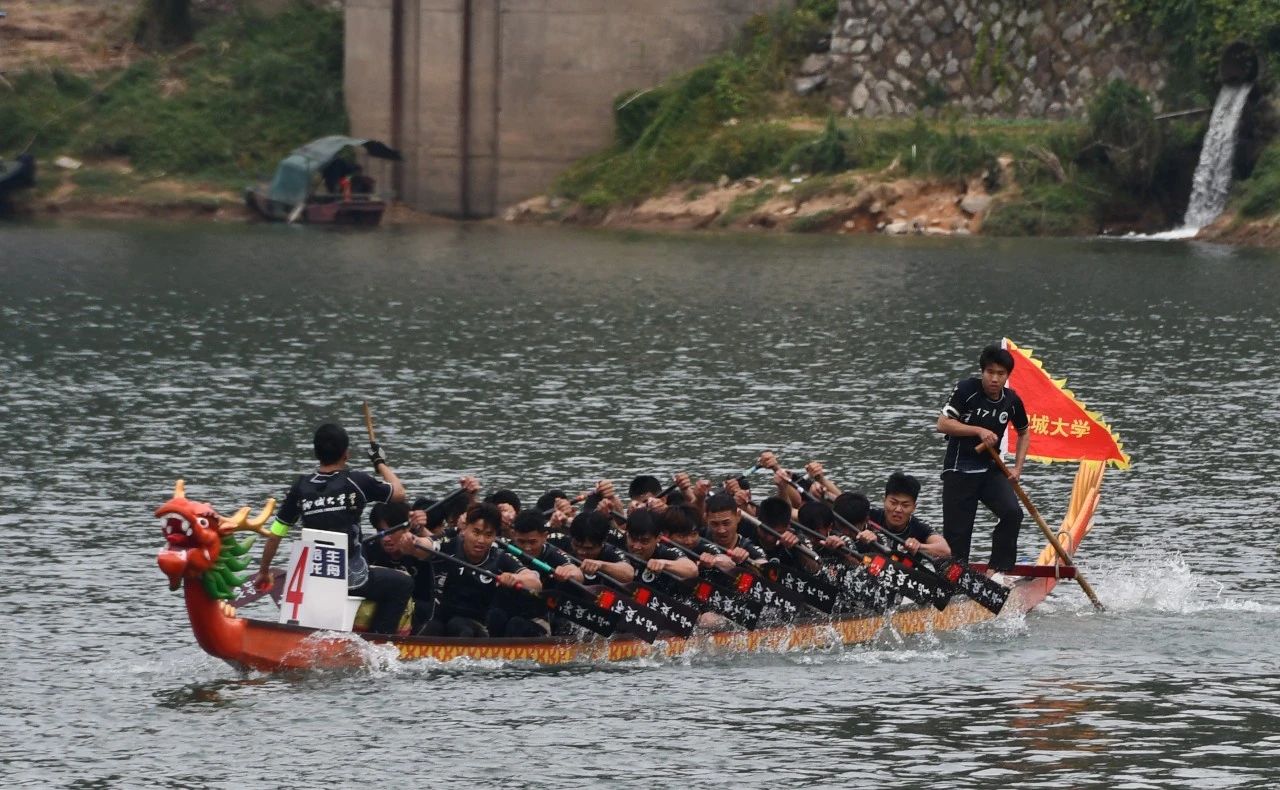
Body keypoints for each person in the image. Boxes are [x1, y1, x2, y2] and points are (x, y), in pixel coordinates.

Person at [252, 423, 412, 636]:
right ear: (346, 454)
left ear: (316, 453)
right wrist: (379, 462)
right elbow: (400, 493)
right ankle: (379, 642)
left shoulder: (300, 488)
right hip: (352, 580)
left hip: (314, 579)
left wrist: (263, 572)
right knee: (403, 583)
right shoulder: (356, 481)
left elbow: (276, 534)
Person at [936, 344, 1029, 573]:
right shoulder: (966, 389)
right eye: (990, 372)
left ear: (1007, 376)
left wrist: (1017, 468)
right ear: (982, 372)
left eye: (1000, 374)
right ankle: (953, 581)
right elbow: (943, 424)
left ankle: (997, 571)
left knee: (1012, 513)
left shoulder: (1011, 400)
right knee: (958, 537)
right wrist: (978, 430)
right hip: (959, 470)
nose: (994, 379)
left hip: (990, 470)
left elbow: (1024, 432)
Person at [421, 502, 541, 638]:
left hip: (478, 625)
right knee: (433, 628)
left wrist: (515, 578)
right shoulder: (448, 545)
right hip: (440, 619)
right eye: (476, 532)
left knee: (459, 626)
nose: (481, 540)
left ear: (495, 536)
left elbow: (535, 582)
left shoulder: (500, 557)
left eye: (488, 535)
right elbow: (422, 545)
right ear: (465, 529)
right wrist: (410, 539)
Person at [365, 501, 436, 634]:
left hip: (416, 615)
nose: (386, 538)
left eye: (391, 531)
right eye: (381, 531)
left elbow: (441, 548)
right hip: (378, 612)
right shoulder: (370, 549)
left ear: (407, 529)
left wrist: (421, 530)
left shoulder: (421, 551)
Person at [860, 471, 950, 560]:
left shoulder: (919, 527)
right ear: (884, 500)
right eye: (893, 503)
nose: (898, 509)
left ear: (914, 507)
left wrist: (919, 546)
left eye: (905, 505)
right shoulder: (868, 516)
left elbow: (945, 550)